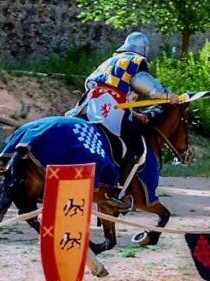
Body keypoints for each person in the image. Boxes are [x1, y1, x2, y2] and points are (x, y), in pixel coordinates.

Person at [66, 32, 179, 209]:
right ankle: (119, 191)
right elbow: (149, 87)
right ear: (144, 49)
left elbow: (95, 85)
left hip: (89, 104)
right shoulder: (135, 62)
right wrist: (168, 96)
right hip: (112, 107)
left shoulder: (109, 61)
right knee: (136, 147)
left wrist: (133, 113)